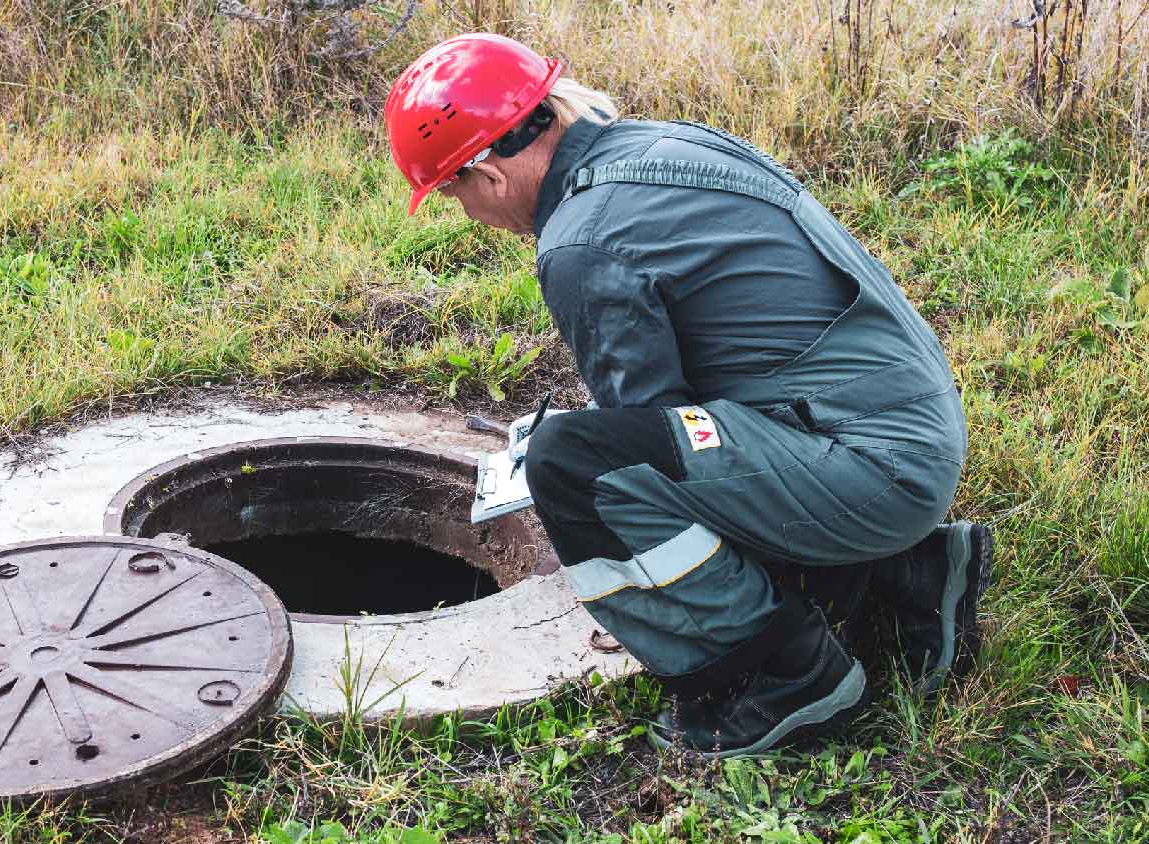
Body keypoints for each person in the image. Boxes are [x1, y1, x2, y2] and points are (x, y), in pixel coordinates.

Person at [383, 33, 993, 758]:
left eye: (453, 192)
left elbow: (650, 436)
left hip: (868, 465)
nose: (466, 213)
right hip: (905, 426)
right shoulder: (660, 146)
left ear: (487, 173)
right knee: (626, 448)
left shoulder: (580, 240)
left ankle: (784, 672)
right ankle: (908, 576)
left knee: (576, 468)